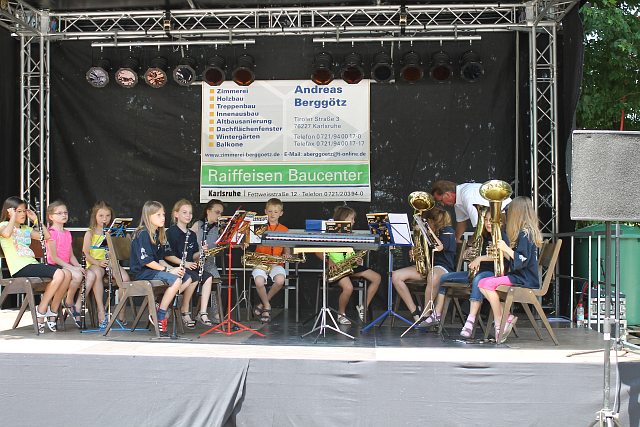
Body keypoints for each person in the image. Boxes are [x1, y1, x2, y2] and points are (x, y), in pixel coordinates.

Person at [432, 209, 509, 338]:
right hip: (478, 272)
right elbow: (473, 254)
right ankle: (437, 314)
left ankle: (470, 320)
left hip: (492, 273)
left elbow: (501, 256)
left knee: (478, 280)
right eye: (485, 220)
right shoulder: (483, 236)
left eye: (491, 220)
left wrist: (480, 258)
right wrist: (468, 254)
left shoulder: (502, 236)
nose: (487, 223)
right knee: (444, 278)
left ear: (500, 222)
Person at [0, 196, 71, 333]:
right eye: (18, 211)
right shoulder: (3, 226)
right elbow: (7, 234)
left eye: (23, 211)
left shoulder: (26, 228)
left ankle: (53, 309)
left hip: (31, 264)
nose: (22, 214)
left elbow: (47, 236)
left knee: (67, 274)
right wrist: (12, 217)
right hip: (20, 267)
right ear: (9, 212)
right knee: (59, 273)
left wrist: (36, 220)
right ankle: (42, 308)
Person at [478, 196, 543, 343]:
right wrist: (503, 250)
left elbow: (522, 260)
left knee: (485, 284)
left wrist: (506, 248)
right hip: (521, 276)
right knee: (483, 283)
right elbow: (517, 259)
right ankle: (505, 318)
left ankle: (500, 321)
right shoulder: (525, 232)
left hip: (524, 278)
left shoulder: (526, 234)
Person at [130, 201, 192, 335]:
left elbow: (160, 260)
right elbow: (148, 262)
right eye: (158, 215)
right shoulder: (143, 234)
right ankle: (161, 315)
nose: (163, 218)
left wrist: (174, 269)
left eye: (163, 214)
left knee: (186, 278)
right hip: (143, 273)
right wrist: (169, 271)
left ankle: (160, 302)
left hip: (153, 270)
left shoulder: (157, 234)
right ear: (148, 216)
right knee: (176, 281)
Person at [392, 207, 456, 323]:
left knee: (433, 276)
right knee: (396, 276)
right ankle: (415, 311)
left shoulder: (448, 230)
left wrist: (428, 230)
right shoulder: (426, 232)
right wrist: (415, 252)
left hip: (442, 267)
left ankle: (426, 314)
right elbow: (422, 251)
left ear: (431, 221)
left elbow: (439, 247)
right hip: (426, 266)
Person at [325, 205, 381, 325]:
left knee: (377, 278)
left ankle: (363, 307)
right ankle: (341, 314)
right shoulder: (330, 233)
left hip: (350, 266)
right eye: (351, 218)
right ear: (343, 218)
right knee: (348, 287)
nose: (354, 221)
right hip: (337, 268)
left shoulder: (351, 234)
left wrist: (357, 260)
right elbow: (317, 252)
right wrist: (330, 262)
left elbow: (351, 253)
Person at [46, 200, 96, 328]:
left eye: (65, 212)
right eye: (59, 213)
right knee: (78, 276)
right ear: (51, 216)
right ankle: (68, 301)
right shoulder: (51, 233)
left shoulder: (67, 233)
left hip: (67, 265)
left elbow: (71, 256)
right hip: (56, 266)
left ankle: (77, 305)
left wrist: (78, 266)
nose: (64, 215)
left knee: (90, 275)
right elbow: (54, 258)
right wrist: (72, 268)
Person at [82, 201, 129, 328]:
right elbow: (85, 253)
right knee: (97, 274)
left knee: (125, 279)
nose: (105, 219)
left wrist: (124, 237)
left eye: (108, 216)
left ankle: (121, 314)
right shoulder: (90, 232)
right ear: (95, 216)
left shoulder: (113, 231)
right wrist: (98, 262)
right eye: (101, 216)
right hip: (95, 263)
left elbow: (121, 249)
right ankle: (101, 311)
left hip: (111, 262)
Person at [165, 199, 204, 329]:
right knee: (193, 277)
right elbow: (167, 255)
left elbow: (193, 255)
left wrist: (202, 252)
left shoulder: (191, 234)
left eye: (190, 213)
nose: (188, 215)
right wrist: (185, 264)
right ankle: (181, 309)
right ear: (176, 214)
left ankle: (181, 307)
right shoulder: (171, 232)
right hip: (175, 267)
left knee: (203, 276)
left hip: (188, 266)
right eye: (184, 212)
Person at [431, 180, 512, 242]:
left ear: (448, 194)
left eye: (441, 200)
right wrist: (455, 240)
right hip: (498, 217)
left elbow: (479, 228)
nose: (442, 204)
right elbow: (461, 223)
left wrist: (469, 245)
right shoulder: (458, 200)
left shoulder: (467, 196)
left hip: (507, 213)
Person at [250, 198, 289, 323]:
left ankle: (263, 304)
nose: (272, 214)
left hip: (276, 263)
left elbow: (287, 247)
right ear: (265, 211)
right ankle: (267, 306)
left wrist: (287, 254)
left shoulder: (284, 229)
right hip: (260, 262)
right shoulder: (259, 227)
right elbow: (249, 240)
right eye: (270, 211)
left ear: (281, 213)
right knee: (259, 281)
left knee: (280, 280)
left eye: (276, 212)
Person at [190, 199, 224, 325]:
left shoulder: (219, 229)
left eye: (221, 213)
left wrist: (241, 243)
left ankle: (215, 312)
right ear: (208, 211)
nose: (219, 215)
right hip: (194, 260)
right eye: (217, 212)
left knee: (216, 281)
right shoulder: (198, 225)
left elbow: (225, 244)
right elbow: (188, 244)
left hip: (208, 262)